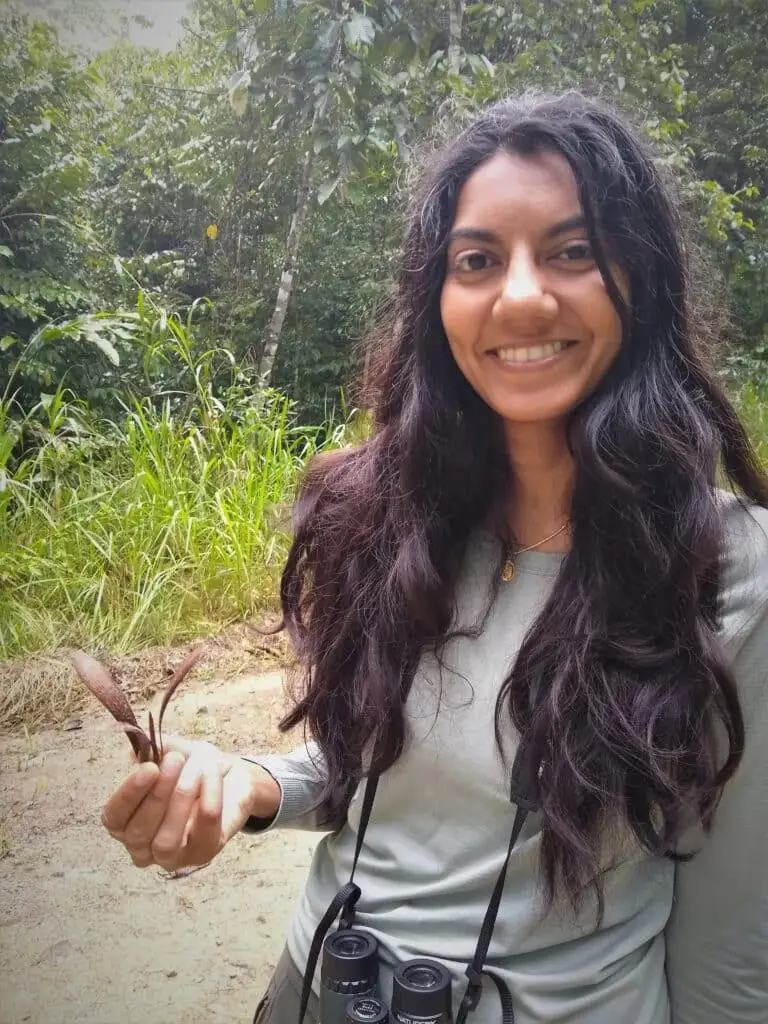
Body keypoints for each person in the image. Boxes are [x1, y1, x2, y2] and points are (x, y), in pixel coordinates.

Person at [100, 91, 768, 1024]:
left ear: (642, 280)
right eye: (479, 259)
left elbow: (734, 943)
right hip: (321, 992)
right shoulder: (376, 512)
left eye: (573, 252)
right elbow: (369, 768)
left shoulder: (727, 566)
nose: (523, 293)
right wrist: (251, 787)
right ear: (438, 298)